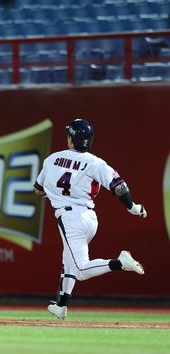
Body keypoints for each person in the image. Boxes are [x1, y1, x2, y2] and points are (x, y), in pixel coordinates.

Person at [34, 119, 147, 319]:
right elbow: (119, 186)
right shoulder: (94, 162)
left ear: (71, 138)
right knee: (68, 260)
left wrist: (55, 193)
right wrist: (132, 207)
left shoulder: (52, 159)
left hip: (69, 217)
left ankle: (119, 262)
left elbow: (38, 190)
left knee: (80, 270)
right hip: (89, 218)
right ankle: (61, 305)